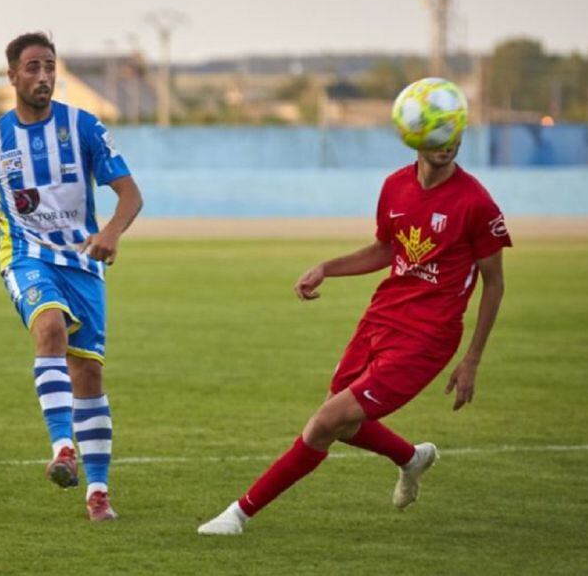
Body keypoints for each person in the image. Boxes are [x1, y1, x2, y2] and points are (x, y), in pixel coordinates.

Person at [199, 135, 511, 535]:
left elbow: (494, 283)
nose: (446, 144)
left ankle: (238, 514)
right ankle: (411, 458)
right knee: (340, 422)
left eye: (453, 134)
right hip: (381, 318)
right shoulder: (395, 185)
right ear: (414, 136)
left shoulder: (476, 203)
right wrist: (326, 267)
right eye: (435, 135)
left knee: (326, 420)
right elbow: (387, 249)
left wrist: (472, 359)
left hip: (427, 338)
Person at [0, 32, 143, 521]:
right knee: (49, 328)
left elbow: (130, 194)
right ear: (12, 76)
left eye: (49, 66)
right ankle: (63, 448)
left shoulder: (84, 126)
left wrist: (111, 231)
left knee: (88, 374)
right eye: (33, 67)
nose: (43, 76)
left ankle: (98, 493)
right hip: (26, 256)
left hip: (83, 263)